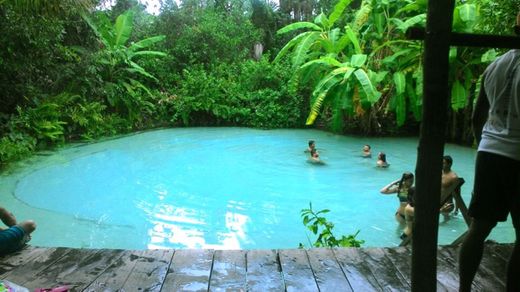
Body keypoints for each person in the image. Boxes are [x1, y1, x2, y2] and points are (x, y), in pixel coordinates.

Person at [459, 14, 520, 292]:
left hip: (489, 152)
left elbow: (477, 115)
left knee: (478, 229)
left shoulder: (496, 65)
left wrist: (483, 144)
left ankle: (463, 289)